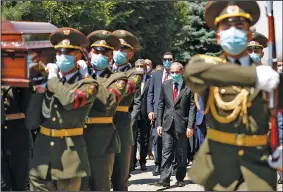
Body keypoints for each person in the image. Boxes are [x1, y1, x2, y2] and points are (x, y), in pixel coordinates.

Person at [183, 1, 280, 190]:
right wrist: (253, 76)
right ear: (218, 37)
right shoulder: (207, 67)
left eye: (239, 26)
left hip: (258, 164)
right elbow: (191, 71)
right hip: (219, 166)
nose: (233, 31)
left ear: (249, 35)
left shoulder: (268, 77)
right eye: (226, 26)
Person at [26, 27, 99, 191]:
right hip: (41, 159)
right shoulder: (47, 82)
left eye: (68, 52)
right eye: (58, 53)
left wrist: (52, 80)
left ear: (79, 55)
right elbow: (31, 122)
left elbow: (69, 101)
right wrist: (39, 92)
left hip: (69, 160)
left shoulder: (88, 85)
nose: (61, 56)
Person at [82, 30, 128, 191]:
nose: (99, 54)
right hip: (76, 138)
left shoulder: (118, 78)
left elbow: (109, 102)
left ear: (110, 56)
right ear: (89, 52)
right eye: (96, 51)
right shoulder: (78, 75)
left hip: (101, 139)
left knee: (100, 185)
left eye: (104, 52)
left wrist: (87, 79)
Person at [111, 30, 143, 191]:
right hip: (98, 125)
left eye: (123, 49)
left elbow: (122, 91)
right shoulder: (102, 70)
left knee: (120, 175)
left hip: (121, 122)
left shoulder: (134, 73)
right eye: (116, 48)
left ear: (130, 54)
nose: (118, 52)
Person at [154, 62, 195, 188]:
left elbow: (192, 107)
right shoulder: (165, 85)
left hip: (182, 125)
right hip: (167, 124)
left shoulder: (189, 87)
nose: (174, 74)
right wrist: (159, 123)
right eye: (172, 72)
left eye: (177, 72)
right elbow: (161, 105)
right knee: (166, 151)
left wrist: (190, 126)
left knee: (181, 152)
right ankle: (164, 179)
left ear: (182, 72)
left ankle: (180, 178)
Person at [1, 75, 33, 191]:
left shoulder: (19, 81)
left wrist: (21, 82)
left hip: (17, 139)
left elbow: (26, 107)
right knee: (3, 185)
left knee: (19, 184)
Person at [147, 52, 174, 176]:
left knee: (172, 139)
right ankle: (158, 165)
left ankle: (171, 165)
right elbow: (150, 94)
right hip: (158, 112)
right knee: (157, 138)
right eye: (165, 59)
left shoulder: (176, 75)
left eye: (170, 59)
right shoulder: (156, 75)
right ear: (162, 61)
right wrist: (150, 110)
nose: (167, 61)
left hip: (172, 112)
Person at [130, 59, 151, 172]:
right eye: (137, 66)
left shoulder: (149, 80)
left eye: (142, 66)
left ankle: (142, 160)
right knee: (132, 138)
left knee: (144, 139)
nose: (139, 68)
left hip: (145, 114)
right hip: (133, 114)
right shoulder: (131, 80)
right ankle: (132, 162)